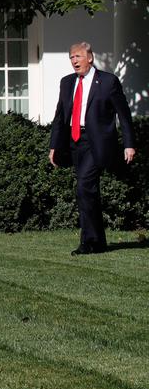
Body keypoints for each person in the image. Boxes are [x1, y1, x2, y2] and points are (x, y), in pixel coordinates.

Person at [48, 42, 136, 255]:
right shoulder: (67, 83)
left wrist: (129, 144)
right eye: (71, 57)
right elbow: (60, 116)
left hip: (97, 143)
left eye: (78, 56)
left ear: (90, 58)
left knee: (83, 188)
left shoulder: (107, 81)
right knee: (88, 191)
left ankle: (89, 242)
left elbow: (123, 115)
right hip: (75, 142)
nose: (74, 61)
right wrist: (54, 146)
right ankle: (98, 241)